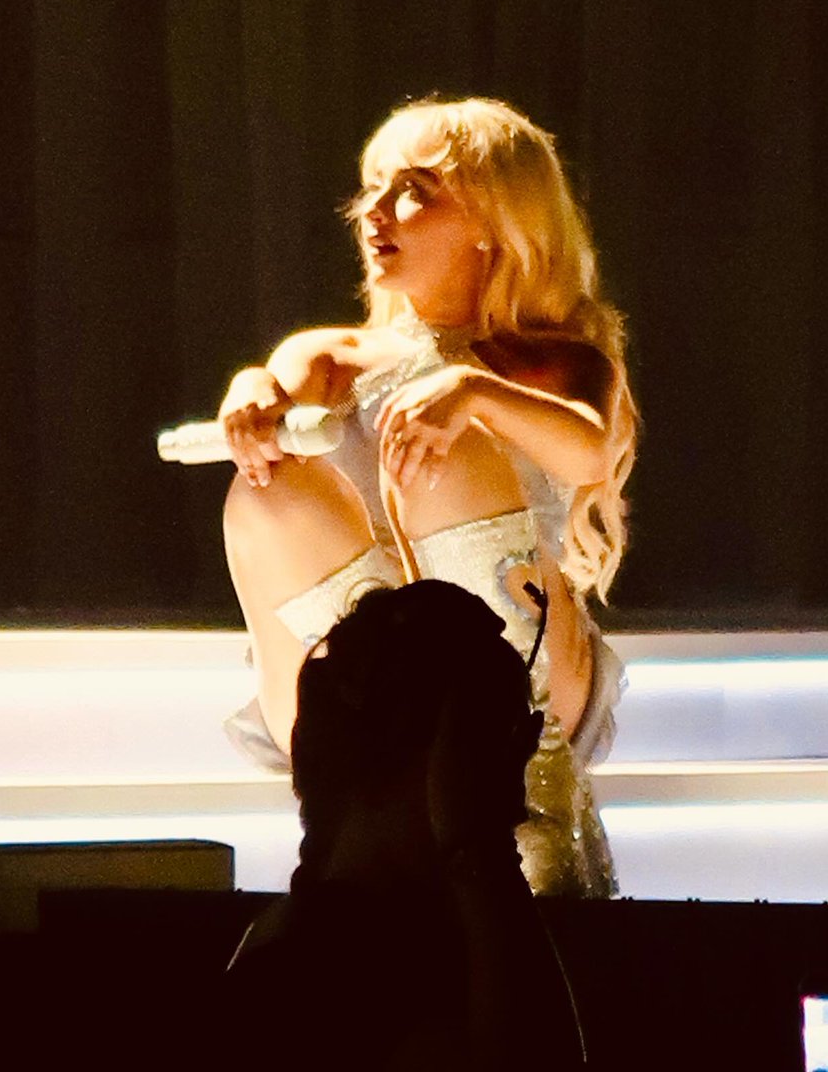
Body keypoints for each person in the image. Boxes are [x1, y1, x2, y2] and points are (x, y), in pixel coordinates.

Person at [220, 96, 637, 897]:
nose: (372, 210)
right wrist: (250, 395)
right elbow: (273, 403)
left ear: (493, 222)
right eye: (370, 187)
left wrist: (472, 391)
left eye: (412, 190)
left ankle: (525, 785)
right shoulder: (330, 355)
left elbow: (589, 449)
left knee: (451, 455)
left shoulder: (555, 359)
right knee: (264, 491)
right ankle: (372, 760)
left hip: (522, 684)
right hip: (360, 700)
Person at [223, 581, 587, 1070]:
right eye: (491, 752)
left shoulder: (304, 937)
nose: (513, 801)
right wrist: (481, 850)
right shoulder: (313, 976)